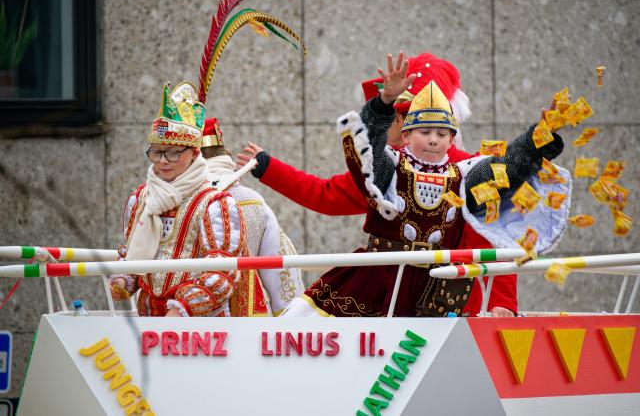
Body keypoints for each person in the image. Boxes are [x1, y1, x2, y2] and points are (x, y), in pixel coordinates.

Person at [282, 52, 570, 317]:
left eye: (441, 133)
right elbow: (365, 149)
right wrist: (382, 104)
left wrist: (541, 135)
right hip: (378, 284)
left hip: (436, 292)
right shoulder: (390, 168)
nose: (433, 139)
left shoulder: (465, 175)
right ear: (406, 134)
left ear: (452, 136)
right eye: (424, 131)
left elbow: (508, 171)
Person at [109, 81, 246, 317]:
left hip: (201, 327)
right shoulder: (141, 198)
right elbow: (133, 253)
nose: (162, 160)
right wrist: (125, 279)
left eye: (173, 152)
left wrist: (183, 308)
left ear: (194, 153)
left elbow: (224, 271)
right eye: (156, 152)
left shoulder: (215, 204)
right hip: (148, 318)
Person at [201, 117, 305, 316]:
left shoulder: (170, 199)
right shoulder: (253, 201)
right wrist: (289, 321)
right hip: (245, 318)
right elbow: (282, 271)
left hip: (177, 323)